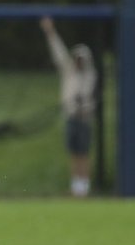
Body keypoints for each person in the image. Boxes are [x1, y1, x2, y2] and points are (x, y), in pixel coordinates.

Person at [40, 16, 98, 197]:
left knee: (84, 152)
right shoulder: (69, 72)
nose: (79, 61)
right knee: (73, 152)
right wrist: (50, 31)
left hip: (84, 118)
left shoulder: (90, 76)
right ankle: (76, 187)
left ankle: (84, 187)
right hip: (72, 116)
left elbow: (88, 96)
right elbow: (58, 51)